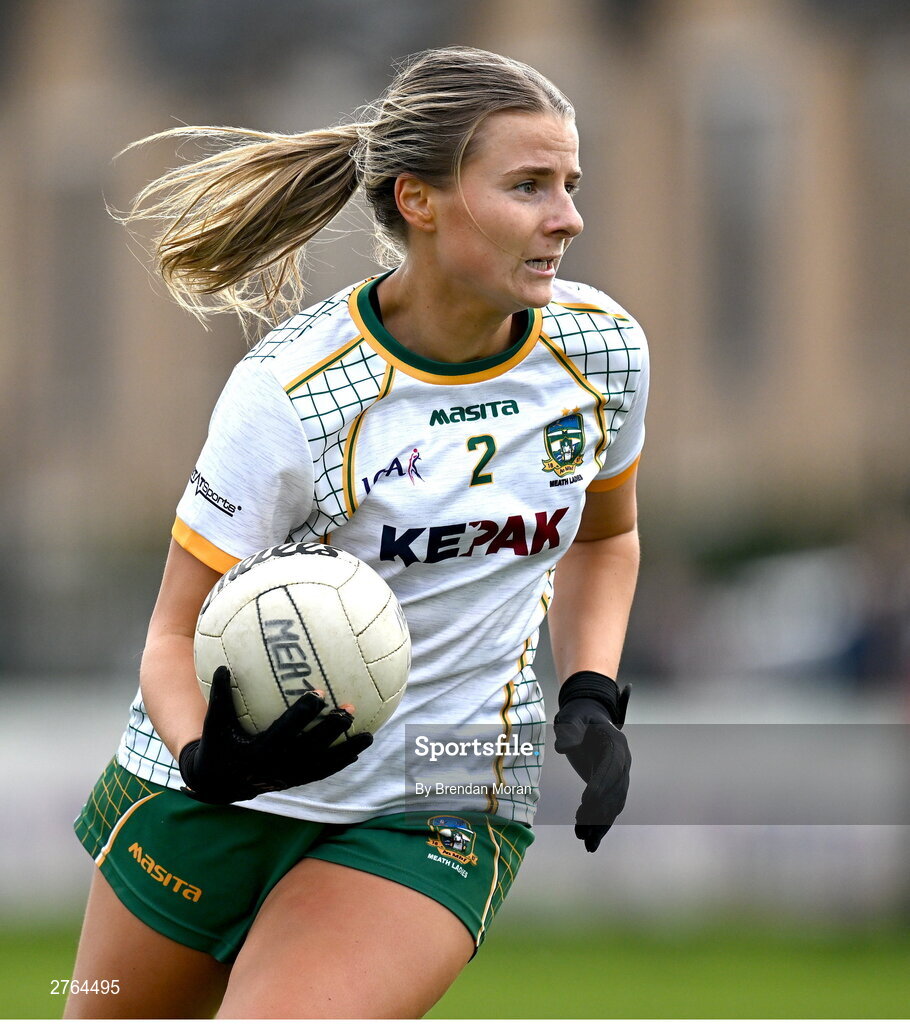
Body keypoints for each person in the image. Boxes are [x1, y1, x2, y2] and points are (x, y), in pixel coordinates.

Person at [66, 45, 648, 1019]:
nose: (567, 218)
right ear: (418, 200)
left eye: (569, 185)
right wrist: (208, 758)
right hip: (215, 787)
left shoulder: (599, 350)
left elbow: (601, 536)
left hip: (441, 792)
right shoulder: (296, 391)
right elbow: (172, 635)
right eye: (528, 186)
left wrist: (589, 688)